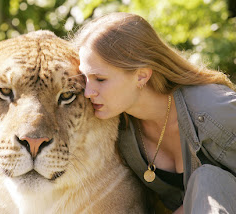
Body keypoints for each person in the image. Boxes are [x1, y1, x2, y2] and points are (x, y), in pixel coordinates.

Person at [73, 12, 236, 214]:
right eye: (85, 78)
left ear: (141, 76)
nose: (88, 92)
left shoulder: (214, 108)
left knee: (208, 178)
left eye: (100, 79)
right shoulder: (121, 132)